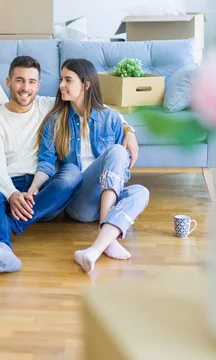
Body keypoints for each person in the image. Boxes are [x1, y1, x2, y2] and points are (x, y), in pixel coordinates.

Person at [0, 56, 140, 273]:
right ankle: (1, 247)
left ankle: (3, 226)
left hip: (48, 189)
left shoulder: (46, 105)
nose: (26, 88)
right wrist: (13, 194)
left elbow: (103, 110)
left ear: (38, 85)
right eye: (19, 81)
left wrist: (129, 131)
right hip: (13, 185)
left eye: (32, 82)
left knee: (134, 189)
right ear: (8, 82)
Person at [35, 59, 150, 273]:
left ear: (86, 85)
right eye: (61, 79)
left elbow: (121, 170)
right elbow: (46, 163)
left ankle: (95, 250)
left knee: (141, 192)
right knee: (117, 151)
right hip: (81, 203)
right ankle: (106, 232)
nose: (61, 85)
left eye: (68, 80)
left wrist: (129, 131)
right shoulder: (55, 121)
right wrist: (34, 189)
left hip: (107, 197)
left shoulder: (112, 119)